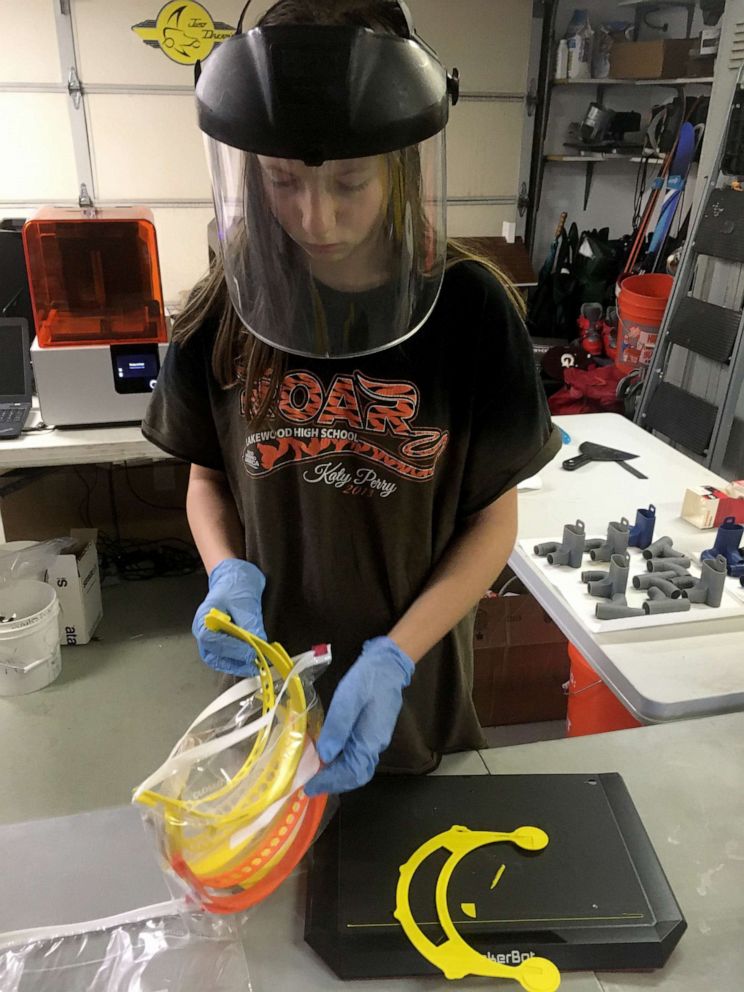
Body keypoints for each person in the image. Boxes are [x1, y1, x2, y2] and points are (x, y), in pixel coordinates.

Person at [142, 0, 560, 797]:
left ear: (398, 161)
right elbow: (207, 478)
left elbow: (494, 518)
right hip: (274, 685)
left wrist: (397, 654)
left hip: (413, 683)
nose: (315, 217)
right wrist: (226, 575)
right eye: (283, 182)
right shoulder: (224, 308)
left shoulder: (470, 313)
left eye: (348, 183)